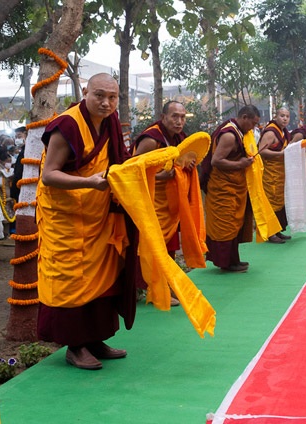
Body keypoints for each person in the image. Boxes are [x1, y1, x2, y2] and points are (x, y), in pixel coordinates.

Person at [36, 73, 133, 370]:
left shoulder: (110, 123)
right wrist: (90, 183)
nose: (106, 103)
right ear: (85, 91)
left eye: (112, 97)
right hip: (65, 217)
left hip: (97, 215)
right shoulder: (67, 126)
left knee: (102, 275)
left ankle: (95, 339)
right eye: (99, 95)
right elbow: (49, 174)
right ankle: (75, 346)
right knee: (70, 279)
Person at [131, 100, 193, 306]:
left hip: (169, 203)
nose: (179, 121)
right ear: (164, 116)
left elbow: (178, 164)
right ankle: (153, 288)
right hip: (151, 201)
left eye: (183, 117)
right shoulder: (151, 139)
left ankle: (164, 285)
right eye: (175, 116)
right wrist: (162, 177)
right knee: (151, 244)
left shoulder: (178, 138)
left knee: (168, 246)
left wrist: (186, 165)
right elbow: (133, 171)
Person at [204, 105, 261, 272]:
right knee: (225, 223)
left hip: (234, 184)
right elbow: (216, 161)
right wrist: (240, 164)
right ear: (244, 117)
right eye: (253, 123)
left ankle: (233, 259)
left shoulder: (240, 132)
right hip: (222, 186)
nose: (254, 127)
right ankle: (226, 263)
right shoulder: (229, 135)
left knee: (234, 223)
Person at [258, 107, 292, 243]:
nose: (285, 119)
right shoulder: (271, 132)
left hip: (280, 171)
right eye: (282, 115)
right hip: (270, 171)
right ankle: (270, 233)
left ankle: (278, 230)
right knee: (271, 201)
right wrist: (280, 154)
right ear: (275, 116)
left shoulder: (283, 132)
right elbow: (260, 151)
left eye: (287, 116)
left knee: (279, 200)